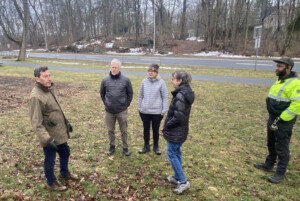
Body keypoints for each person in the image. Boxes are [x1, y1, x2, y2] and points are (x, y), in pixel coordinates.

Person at [29, 66, 78, 191]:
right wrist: (47, 140)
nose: (49, 78)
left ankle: (64, 173)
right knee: (50, 160)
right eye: (45, 76)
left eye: (49, 75)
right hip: (49, 136)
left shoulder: (48, 89)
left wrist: (66, 123)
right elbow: (36, 122)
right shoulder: (36, 96)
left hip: (59, 132)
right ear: (37, 79)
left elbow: (56, 109)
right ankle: (51, 182)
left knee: (65, 152)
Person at [254, 57, 300, 183]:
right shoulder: (281, 81)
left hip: (284, 120)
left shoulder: (295, 83)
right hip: (273, 117)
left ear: (288, 68)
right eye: (277, 66)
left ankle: (280, 173)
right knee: (271, 142)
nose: (277, 68)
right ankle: (269, 164)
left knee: (282, 146)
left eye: (279, 66)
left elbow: (297, 104)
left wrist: (282, 118)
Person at [163, 70, 194, 194]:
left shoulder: (181, 95)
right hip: (180, 130)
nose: (172, 80)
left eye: (173, 78)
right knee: (176, 152)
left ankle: (183, 181)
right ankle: (177, 176)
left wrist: (167, 125)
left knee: (171, 153)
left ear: (180, 81)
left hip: (176, 130)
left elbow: (178, 117)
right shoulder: (185, 92)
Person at [100, 59, 133, 156]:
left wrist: (126, 104)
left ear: (119, 68)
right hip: (109, 111)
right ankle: (112, 146)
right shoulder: (105, 80)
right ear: (110, 67)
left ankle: (125, 147)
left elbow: (130, 93)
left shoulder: (126, 80)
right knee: (110, 130)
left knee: (124, 131)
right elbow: (102, 93)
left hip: (121, 110)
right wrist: (106, 103)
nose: (114, 69)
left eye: (116, 67)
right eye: (112, 67)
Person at [138, 64, 168, 155]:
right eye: (149, 71)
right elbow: (140, 96)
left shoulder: (161, 83)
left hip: (157, 112)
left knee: (156, 130)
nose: (150, 73)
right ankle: (146, 146)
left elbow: (165, 97)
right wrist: (140, 108)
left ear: (156, 73)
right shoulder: (144, 82)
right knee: (145, 129)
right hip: (145, 111)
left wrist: (163, 111)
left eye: (153, 71)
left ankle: (156, 147)